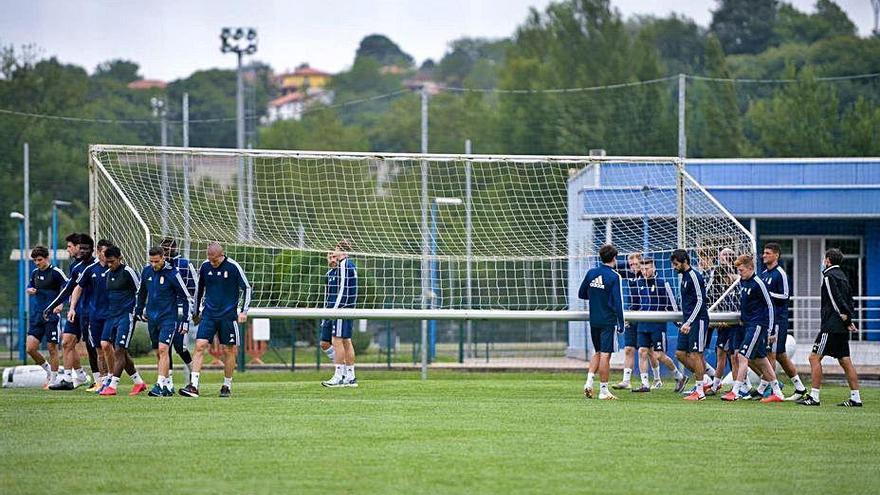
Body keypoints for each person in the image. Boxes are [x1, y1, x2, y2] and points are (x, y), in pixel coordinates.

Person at [181, 242, 252, 398]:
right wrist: (195, 312)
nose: (212, 263)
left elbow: (247, 288)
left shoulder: (233, 267)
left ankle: (226, 385)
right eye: (209, 259)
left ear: (222, 255)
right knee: (200, 345)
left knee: (229, 350)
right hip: (209, 314)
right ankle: (193, 385)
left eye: (214, 260)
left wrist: (244, 311)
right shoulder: (205, 267)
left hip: (228, 316)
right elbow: (199, 290)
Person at [798, 248, 862, 407]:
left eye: (824, 259)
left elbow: (835, 300)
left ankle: (814, 397)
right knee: (845, 361)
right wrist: (848, 320)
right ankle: (856, 398)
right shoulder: (843, 276)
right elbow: (849, 299)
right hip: (840, 327)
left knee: (814, 358)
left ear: (827, 260)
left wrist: (843, 316)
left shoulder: (829, 276)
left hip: (831, 326)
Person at [721, 254, 784, 403]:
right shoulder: (743, 282)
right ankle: (777, 392)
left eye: (741, 270)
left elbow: (770, 306)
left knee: (742, 356)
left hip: (757, 325)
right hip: (748, 325)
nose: (739, 273)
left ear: (750, 268)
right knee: (761, 359)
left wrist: (771, 331)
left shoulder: (758, 283)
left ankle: (736, 391)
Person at [136, 246, 193, 397]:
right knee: (158, 352)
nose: (154, 265)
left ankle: (159, 384)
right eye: (151, 261)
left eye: (156, 261)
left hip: (168, 317)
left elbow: (186, 297)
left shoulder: (172, 273)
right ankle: (168, 385)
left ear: (163, 258)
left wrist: (185, 320)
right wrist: (138, 309)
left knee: (163, 349)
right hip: (152, 318)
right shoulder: (146, 271)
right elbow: (142, 292)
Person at [44, 234, 96, 389]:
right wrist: (57, 306)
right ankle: (69, 378)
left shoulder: (95, 266)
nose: (69, 250)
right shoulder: (75, 266)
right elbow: (69, 289)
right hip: (76, 311)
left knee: (94, 346)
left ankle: (101, 379)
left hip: (91, 312)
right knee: (67, 341)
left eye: (70, 247)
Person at [759, 242, 808, 400]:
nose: (764, 255)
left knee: (771, 354)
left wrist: (767, 294)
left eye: (767, 253)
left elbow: (786, 296)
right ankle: (800, 387)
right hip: (768, 320)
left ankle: (768, 390)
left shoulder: (780, 274)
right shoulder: (764, 274)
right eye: (764, 253)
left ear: (776, 255)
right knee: (780, 355)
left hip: (778, 321)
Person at [98, 245, 148, 396]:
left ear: (120, 258)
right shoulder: (107, 274)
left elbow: (140, 291)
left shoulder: (128, 272)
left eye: (112, 261)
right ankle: (139, 382)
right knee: (107, 345)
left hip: (126, 316)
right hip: (111, 316)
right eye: (107, 262)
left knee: (120, 349)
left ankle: (112, 386)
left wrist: (139, 311)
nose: (109, 265)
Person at [579, 244, 625, 400]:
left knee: (597, 352)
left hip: (594, 320)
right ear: (614, 258)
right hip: (608, 321)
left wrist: (596, 296)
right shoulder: (614, 276)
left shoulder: (591, 273)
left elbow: (581, 293)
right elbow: (618, 302)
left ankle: (589, 382)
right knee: (606, 355)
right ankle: (604, 390)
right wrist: (621, 323)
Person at [631, 258, 685, 392]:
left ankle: (679, 376)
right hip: (643, 324)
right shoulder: (638, 283)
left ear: (654, 268)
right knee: (642, 351)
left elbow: (673, 303)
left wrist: (678, 321)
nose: (644, 271)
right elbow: (636, 304)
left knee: (658, 355)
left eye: (647, 268)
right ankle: (645, 384)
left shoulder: (662, 283)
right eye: (642, 269)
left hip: (657, 325)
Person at [68, 239, 113, 392]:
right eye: (104, 253)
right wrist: (72, 308)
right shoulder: (90, 269)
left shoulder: (116, 268)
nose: (107, 256)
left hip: (113, 316)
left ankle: (114, 379)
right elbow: (77, 288)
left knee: (114, 348)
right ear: (99, 252)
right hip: (94, 316)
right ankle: (102, 381)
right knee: (99, 349)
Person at [25, 246, 68, 388]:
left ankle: (54, 380)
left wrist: (60, 304)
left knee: (52, 348)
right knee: (30, 348)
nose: (37, 263)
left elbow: (68, 287)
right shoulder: (34, 273)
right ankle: (49, 371)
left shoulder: (56, 272)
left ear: (47, 258)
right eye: (35, 260)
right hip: (37, 315)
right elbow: (29, 287)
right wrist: (29, 290)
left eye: (39, 260)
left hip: (51, 316)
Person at [670, 249, 709, 400]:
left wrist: (690, 322)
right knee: (680, 353)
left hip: (697, 321)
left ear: (684, 261)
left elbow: (700, 300)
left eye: (676, 264)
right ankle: (705, 380)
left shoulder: (694, 276)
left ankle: (700, 392)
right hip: (687, 321)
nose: (674, 267)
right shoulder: (684, 277)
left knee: (696, 355)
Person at [160, 237, 197, 391]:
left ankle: (192, 371)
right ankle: (169, 382)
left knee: (179, 346)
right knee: (164, 346)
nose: (166, 251)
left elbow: (196, 285)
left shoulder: (184, 264)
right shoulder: (161, 265)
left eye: (169, 248)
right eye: (164, 248)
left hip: (182, 309)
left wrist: (195, 308)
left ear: (175, 248)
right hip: (166, 309)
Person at [321, 240, 359, 388]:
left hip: (341, 308)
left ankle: (339, 376)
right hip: (344, 308)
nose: (333, 253)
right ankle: (350, 376)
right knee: (345, 341)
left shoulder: (345, 265)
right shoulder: (343, 267)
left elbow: (343, 289)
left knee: (337, 340)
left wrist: (335, 310)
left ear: (341, 250)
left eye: (335, 250)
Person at [613, 253, 641, 390]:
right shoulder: (629, 275)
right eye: (631, 265)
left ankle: (674, 376)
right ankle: (626, 380)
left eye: (636, 264)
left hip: (648, 315)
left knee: (651, 352)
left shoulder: (649, 276)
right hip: (632, 315)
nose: (633, 267)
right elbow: (613, 266)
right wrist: (628, 263)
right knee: (629, 349)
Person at [318, 251, 338, 363]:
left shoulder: (343, 272)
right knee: (324, 344)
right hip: (328, 312)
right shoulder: (328, 274)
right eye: (330, 257)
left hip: (339, 312)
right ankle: (341, 365)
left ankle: (342, 370)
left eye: (334, 256)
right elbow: (327, 295)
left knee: (338, 342)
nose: (332, 260)